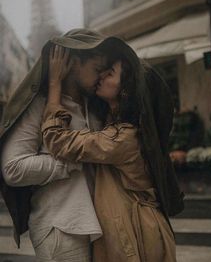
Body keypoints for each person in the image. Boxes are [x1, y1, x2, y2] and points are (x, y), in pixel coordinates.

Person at [41, 44, 184, 262]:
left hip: (138, 231)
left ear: (125, 88)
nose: (101, 76)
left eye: (110, 73)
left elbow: (58, 141)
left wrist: (54, 86)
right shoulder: (119, 126)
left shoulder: (123, 139)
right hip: (141, 226)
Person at [0, 29, 129, 261]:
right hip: (61, 226)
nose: (101, 77)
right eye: (97, 70)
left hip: (101, 226)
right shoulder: (39, 105)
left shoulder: (95, 107)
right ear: (70, 62)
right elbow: (12, 168)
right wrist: (72, 163)